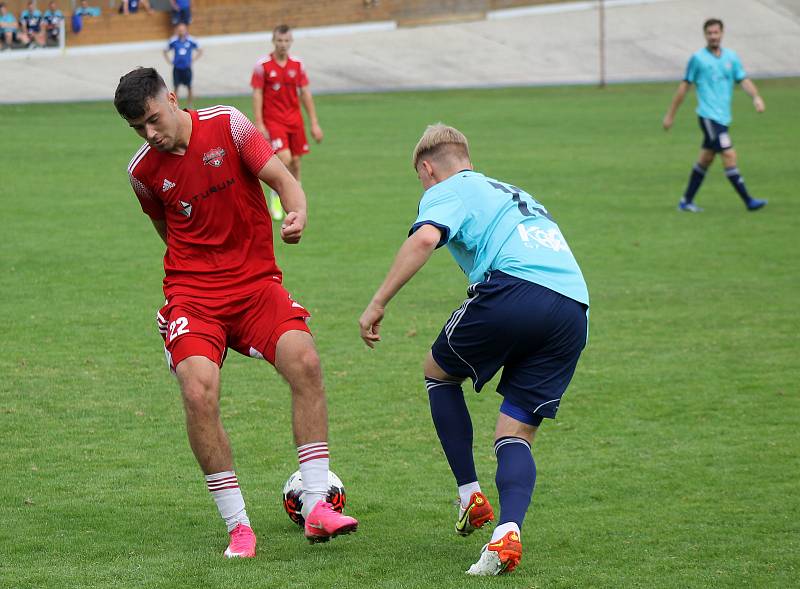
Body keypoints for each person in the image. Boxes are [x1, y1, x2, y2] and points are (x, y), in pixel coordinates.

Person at [115, 67, 358, 558]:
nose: (150, 133)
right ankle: (239, 528)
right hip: (194, 296)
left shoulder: (229, 125)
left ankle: (316, 505)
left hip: (255, 286)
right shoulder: (142, 173)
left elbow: (283, 180)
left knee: (305, 362)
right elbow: (170, 232)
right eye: (138, 128)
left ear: (172, 97)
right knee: (198, 391)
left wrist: (297, 213)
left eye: (153, 119)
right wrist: (188, 286)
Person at [359, 124, 589, 576]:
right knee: (515, 433)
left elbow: (425, 238)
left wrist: (378, 301)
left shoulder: (450, 187)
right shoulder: (512, 191)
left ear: (428, 169)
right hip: (573, 306)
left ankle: (469, 495)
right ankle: (506, 534)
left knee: (437, 372)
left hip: (515, 290)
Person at [663, 18, 767, 213]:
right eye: (709, 33)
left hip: (723, 117)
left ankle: (686, 202)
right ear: (705, 35)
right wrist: (670, 115)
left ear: (722, 34)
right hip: (709, 117)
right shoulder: (698, 59)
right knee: (728, 153)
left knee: (706, 158)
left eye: (716, 33)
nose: (713, 36)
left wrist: (756, 97)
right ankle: (749, 201)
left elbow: (743, 79)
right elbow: (684, 87)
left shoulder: (731, 58)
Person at [251, 24, 323, 221]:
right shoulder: (263, 65)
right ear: (273, 41)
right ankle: (276, 196)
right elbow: (257, 94)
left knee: (297, 162)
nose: (283, 44)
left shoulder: (297, 65)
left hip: (295, 120)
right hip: (274, 121)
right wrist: (259, 122)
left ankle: (297, 201)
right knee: (285, 158)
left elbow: (306, 93)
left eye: (286, 41)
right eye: (279, 41)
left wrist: (314, 123)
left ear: (291, 42)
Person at [164, 23, 201, 108]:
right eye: (180, 30)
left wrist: (192, 60)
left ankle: (189, 105)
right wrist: (169, 61)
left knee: (189, 87)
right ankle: (175, 105)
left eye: (183, 30)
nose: (181, 32)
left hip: (187, 68)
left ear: (186, 30)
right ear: (177, 31)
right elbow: (165, 50)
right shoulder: (173, 41)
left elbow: (200, 50)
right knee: (176, 87)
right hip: (177, 68)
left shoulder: (191, 40)